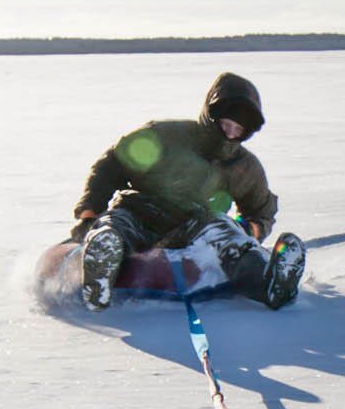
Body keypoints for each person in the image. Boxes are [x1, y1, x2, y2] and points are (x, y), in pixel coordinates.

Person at [68, 69, 307, 310]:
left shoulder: (244, 166)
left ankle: (269, 282)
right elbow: (111, 166)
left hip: (193, 228)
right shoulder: (164, 136)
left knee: (223, 230)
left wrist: (248, 231)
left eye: (239, 130)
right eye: (226, 124)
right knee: (116, 224)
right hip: (139, 211)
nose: (231, 133)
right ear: (211, 115)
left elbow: (260, 210)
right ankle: (100, 269)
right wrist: (90, 213)